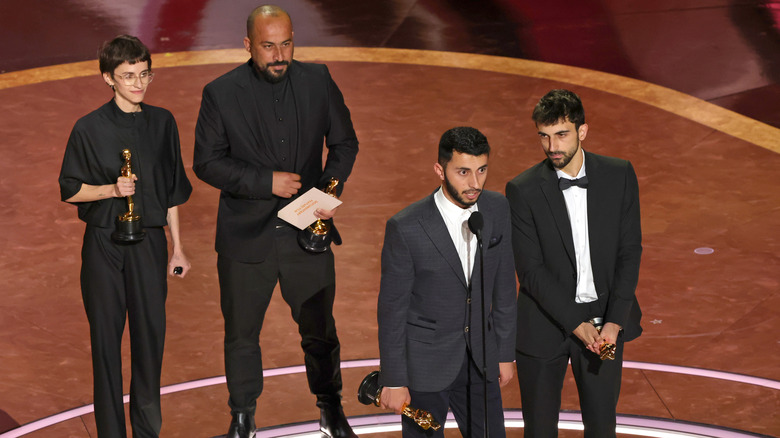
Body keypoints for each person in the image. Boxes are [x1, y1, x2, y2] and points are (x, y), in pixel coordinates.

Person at [192, 5, 359, 438]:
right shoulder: (220, 93)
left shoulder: (318, 80)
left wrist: (327, 193)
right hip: (246, 239)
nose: (279, 54)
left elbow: (344, 144)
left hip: (308, 234)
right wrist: (266, 182)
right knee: (242, 336)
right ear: (248, 45)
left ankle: (330, 407)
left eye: (285, 44)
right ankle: (243, 417)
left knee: (320, 331)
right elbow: (206, 163)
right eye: (268, 46)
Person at [58, 35, 192, 437]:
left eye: (144, 74)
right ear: (107, 78)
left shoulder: (163, 122)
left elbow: (170, 191)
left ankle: (148, 432)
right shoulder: (88, 128)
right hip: (103, 247)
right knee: (106, 347)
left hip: (149, 244)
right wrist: (112, 190)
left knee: (150, 342)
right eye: (128, 76)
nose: (139, 83)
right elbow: (71, 189)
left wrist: (178, 248)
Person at [505, 89, 642, 437]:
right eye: (544, 136)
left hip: (604, 325)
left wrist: (614, 323)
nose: (552, 146)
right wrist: (578, 325)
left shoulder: (619, 175)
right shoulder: (522, 189)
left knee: (601, 427)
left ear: (582, 131)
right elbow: (530, 271)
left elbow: (629, 252)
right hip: (543, 325)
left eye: (561, 134)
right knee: (539, 430)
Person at [377, 127, 516, 437]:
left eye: (482, 170)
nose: (475, 183)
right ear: (440, 170)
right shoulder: (407, 227)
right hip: (426, 365)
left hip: (481, 360)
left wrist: (505, 352)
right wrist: (395, 379)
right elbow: (392, 310)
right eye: (463, 172)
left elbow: (505, 284)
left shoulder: (497, 208)